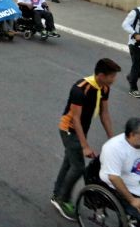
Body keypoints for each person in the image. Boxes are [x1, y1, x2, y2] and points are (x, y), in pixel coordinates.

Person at [51, 58, 120, 221]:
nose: (114, 80)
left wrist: (113, 139)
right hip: (69, 130)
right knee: (78, 166)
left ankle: (56, 194)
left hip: (82, 129)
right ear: (101, 75)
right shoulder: (80, 89)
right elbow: (75, 119)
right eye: (112, 76)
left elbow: (104, 113)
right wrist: (85, 146)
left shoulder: (104, 88)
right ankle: (62, 199)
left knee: (69, 162)